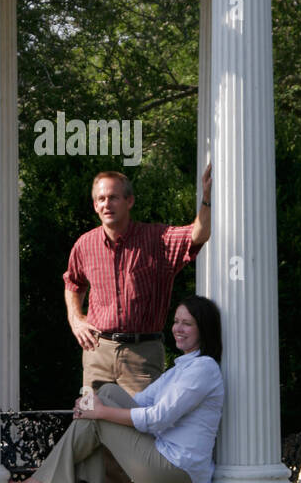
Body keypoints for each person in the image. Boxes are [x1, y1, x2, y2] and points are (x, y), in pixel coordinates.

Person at [10, 295, 224, 483]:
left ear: (203, 329)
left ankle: (48, 481)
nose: (178, 328)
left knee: (98, 416)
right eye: (176, 321)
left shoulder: (202, 369)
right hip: (169, 464)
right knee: (106, 392)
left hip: (176, 473)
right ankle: (77, 479)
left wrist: (100, 411)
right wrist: (90, 404)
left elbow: (158, 418)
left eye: (187, 323)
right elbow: (140, 401)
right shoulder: (182, 369)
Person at [64, 164, 213, 399]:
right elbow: (73, 283)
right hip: (97, 352)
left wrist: (206, 199)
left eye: (113, 197)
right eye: (101, 199)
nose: (106, 204)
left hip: (141, 355)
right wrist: (75, 319)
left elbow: (199, 234)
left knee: (141, 426)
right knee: (92, 421)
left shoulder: (157, 240)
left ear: (129, 201)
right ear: (95, 205)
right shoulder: (85, 244)